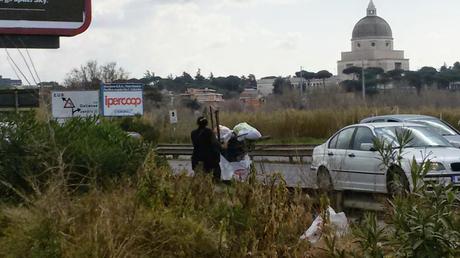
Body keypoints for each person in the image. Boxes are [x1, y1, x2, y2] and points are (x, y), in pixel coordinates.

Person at [191, 116, 221, 181]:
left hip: (197, 158)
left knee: (199, 179)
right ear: (206, 123)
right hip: (208, 160)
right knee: (210, 177)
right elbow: (215, 144)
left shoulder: (193, 133)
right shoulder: (209, 132)